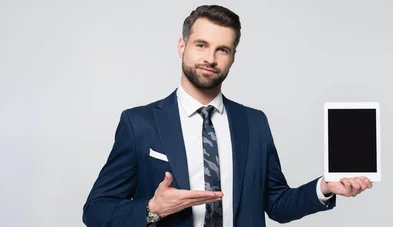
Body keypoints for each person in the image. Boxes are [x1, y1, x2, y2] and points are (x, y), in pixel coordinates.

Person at [82, 4, 373, 227]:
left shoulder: (254, 123)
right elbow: (95, 210)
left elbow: (278, 204)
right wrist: (152, 210)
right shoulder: (139, 123)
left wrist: (324, 187)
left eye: (222, 49)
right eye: (201, 45)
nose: (210, 58)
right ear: (182, 46)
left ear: (233, 57)